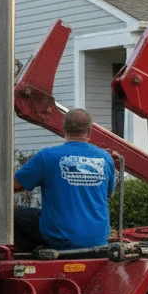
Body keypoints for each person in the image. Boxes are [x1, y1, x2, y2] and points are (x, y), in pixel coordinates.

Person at [13, 108, 117, 252]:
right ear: (89, 131)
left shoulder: (47, 156)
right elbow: (108, 193)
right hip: (97, 239)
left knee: (13, 213)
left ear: (63, 129)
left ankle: (33, 254)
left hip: (59, 238)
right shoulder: (105, 158)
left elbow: (15, 185)